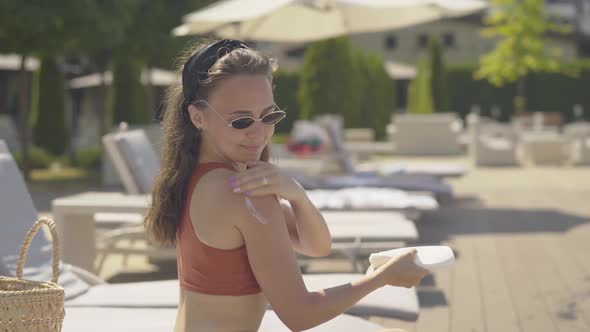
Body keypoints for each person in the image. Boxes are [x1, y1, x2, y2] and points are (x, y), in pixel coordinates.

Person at [144, 39, 428, 332]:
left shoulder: (192, 177)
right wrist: (382, 278)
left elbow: (317, 246)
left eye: (270, 116)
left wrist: (297, 196)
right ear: (197, 116)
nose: (260, 132)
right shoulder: (240, 192)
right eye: (241, 121)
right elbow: (300, 315)